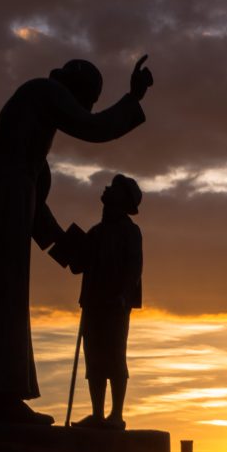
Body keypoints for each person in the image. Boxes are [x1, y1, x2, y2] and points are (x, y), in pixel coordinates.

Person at [0, 57, 153, 425]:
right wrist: (132, 98)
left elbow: (39, 219)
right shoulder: (43, 92)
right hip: (0, 203)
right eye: (87, 100)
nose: (83, 109)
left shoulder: (25, 156)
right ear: (76, 88)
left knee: (0, 291)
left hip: (3, 202)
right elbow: (93, 128)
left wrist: (74, 254)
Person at [69, 174, 143, 430]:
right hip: (93, 304)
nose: (107, 193)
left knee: (114, 358)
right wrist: (71, 244)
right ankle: (97, 414)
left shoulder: (130, 232)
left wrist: (124, 295)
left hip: (115, 305)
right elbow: (77, 265)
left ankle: (116, 415)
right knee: (95, 360)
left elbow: (134, 267)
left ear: (123, 201)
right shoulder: (96, 233)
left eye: (114, 191)